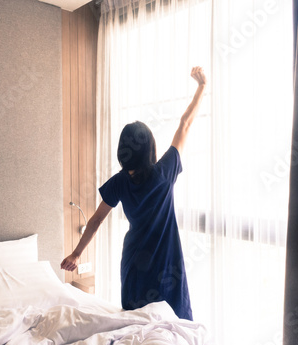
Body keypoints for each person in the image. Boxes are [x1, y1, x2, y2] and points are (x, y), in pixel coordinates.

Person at [61, 67, 207, 320]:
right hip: (165, 259)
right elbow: (185, 124)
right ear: (150, 148)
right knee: (173, 324)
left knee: (135, 321)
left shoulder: (118, 182)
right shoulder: (165, 172)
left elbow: (95, 221)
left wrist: (76, 253)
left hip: (135, 259)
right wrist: (202, 87)